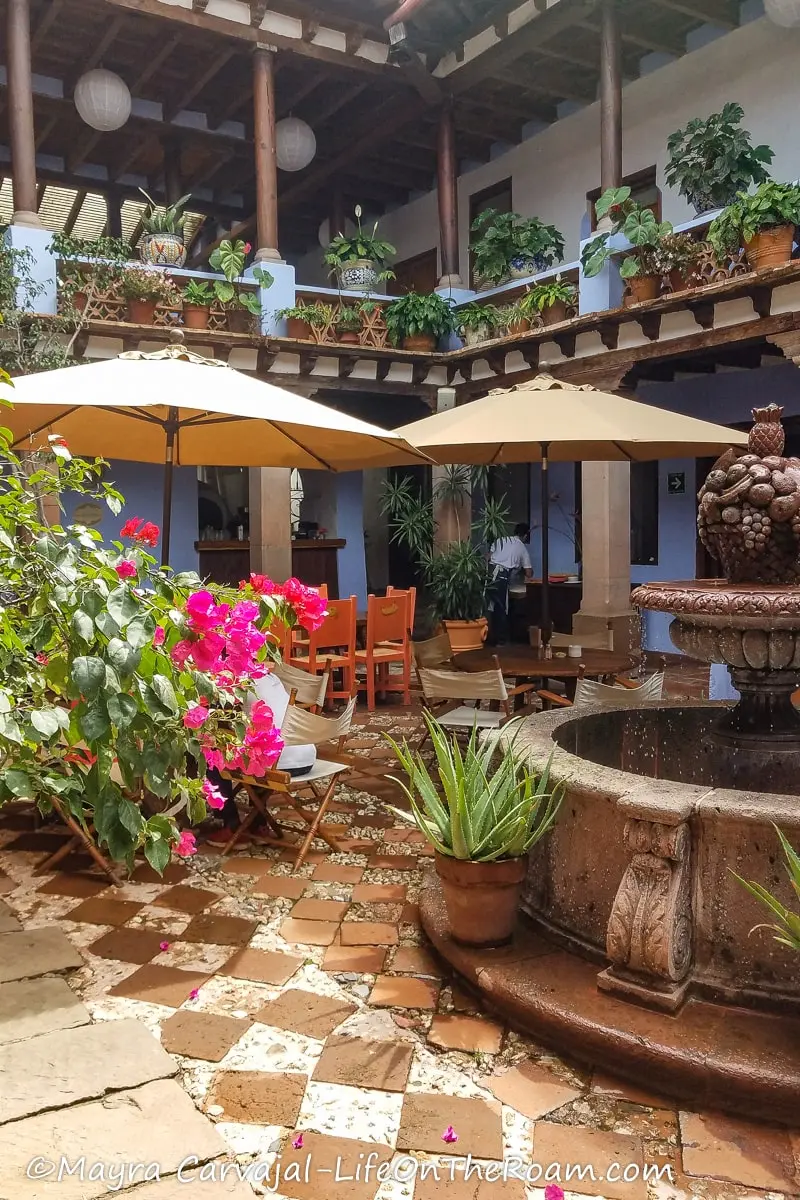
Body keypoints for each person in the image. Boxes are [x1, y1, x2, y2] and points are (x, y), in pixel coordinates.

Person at [205, 671, 317, 846]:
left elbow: (213, 718)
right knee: (255, 750)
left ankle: (232, 824)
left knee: (212, 756)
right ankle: (258, 824)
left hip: (281, 762)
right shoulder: (272, 676)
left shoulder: (234, 682)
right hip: (307, 757)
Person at [487, 522, 532, 645]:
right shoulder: (522, 547)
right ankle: (502, 641)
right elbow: (529, 573)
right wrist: (521, 569)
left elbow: (488, 557)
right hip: (502, 576)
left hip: (490, 574)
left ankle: (490, 637)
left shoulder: (500, 540)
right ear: (526, 535)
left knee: (491, 607)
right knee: (501, 608)